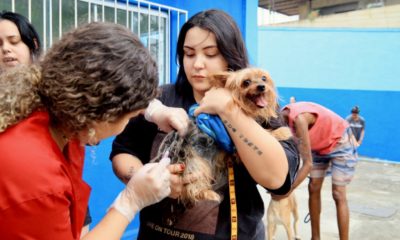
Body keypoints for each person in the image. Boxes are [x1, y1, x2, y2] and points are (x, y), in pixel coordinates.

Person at [111, 9, 299, 239]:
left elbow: (277, 180)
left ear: (231, 56)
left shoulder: (257, 104)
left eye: (210, 54)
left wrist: (228, 110)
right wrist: (148, 181)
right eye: (189, 54)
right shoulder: (161, 100)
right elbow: (123, 152)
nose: (198, 64)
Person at [0, 22, 181, 239]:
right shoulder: (38, 178)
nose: (128, 123)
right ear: (100, 114)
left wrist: (153, 110)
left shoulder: (58, 115)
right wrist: (130, 202)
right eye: (130, 117)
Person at [0, 11, 105, 236]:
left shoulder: (54, 86)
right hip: (22, 198)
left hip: (66, 187)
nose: (5, 49)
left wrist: (154, 111)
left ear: (32, 44)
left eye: (13, 41)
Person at [281, 101, 358, 240]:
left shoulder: (299, 119)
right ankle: (315, 238)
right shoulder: (281, 121)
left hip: (340, 141)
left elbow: (307, 164)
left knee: (338, 193)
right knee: (313, 187)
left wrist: (287, 191)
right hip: (317, 146)